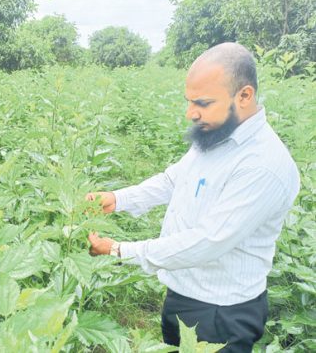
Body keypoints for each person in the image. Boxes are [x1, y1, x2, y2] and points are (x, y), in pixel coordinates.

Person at [86, 42, 300, 352]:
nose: (190, 113)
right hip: (183, 293)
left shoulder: (263, 165)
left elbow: (208, 241)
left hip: (220, 314)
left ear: (244, 96)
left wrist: (119, 250)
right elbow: (174, 179)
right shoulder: (217, 135)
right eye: (189, 101)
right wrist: (117, 199)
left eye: (202, 102)